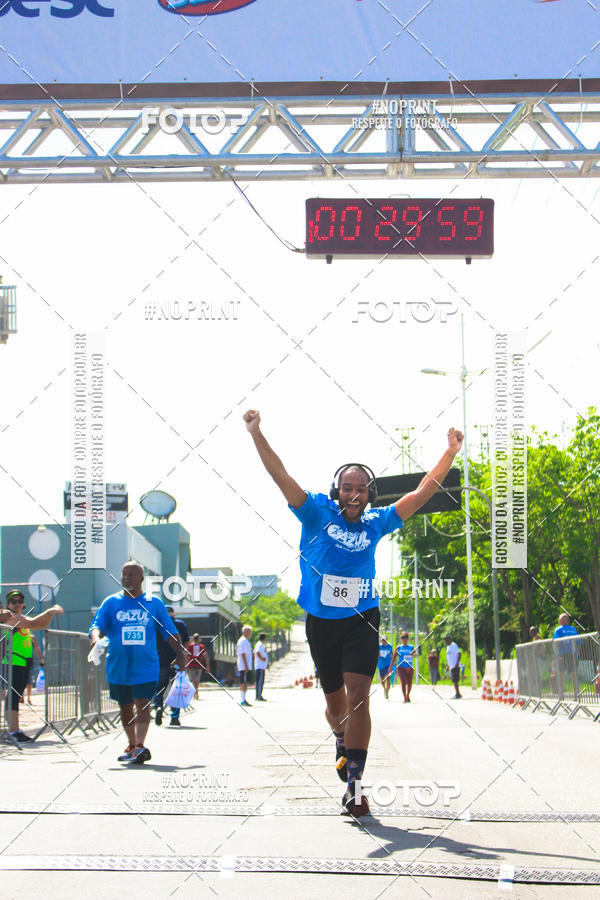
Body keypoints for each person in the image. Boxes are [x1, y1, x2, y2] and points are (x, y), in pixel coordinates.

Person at [244, 407, 463, 817]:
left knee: (360, 699)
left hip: (362, 619)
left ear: (370, 494)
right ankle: (342, 740)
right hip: (321, 623)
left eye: (361, 488)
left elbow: (420, 493)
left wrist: (448, 454)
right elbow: (281, 476)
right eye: (347, 488)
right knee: (335, 708)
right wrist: (257, 433)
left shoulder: (377, 523)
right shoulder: (314, 511)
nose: (354, 494)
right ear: (337, 491)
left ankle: (356, 787)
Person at [89, 561, 186, 764]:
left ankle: (140, 745)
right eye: (124, 574)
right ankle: (132, 744)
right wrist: (96, 640)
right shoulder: (111, 603)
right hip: (118, 666)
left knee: (143, 703)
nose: (126, 578)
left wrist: (181, 654)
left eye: (131, 575)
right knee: (125, 707)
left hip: (146, 666)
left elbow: (169, 631)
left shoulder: (154, 603)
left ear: (141, 578)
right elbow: (97, 625)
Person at [1, 590, 50, 742]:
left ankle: (15, 729)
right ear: (8, 604)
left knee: (16, 696)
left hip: (22, 662)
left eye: (19, 601)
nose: (17, 604)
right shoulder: (9, 617)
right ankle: (12, 730)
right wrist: (51, 611)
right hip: (11, 662)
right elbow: (34, 623)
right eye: (13, 601)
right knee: (13, 696)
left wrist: (50, 615)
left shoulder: (21, 619)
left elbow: (38, 625)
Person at [155, 605, 189, 726]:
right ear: (173, 613)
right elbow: (186, 644)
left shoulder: (157, 625)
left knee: (159, 687)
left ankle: (158, 707)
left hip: (161, 661)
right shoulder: (180, 625)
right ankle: (174, 717)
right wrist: (184, 661)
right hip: (177, 661)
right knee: (177, 689)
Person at [392, 631, 417, 702]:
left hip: (409, 667)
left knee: (409, 683)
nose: (404, 639)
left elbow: (415, 654)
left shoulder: (411, 647)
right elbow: (393, 658)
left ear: (408, 639)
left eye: (406, 637)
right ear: (401, 639)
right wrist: (390, 667)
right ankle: (404, 697)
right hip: (401, 667)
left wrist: (414, 655)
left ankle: (407, 695)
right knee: (403, 682)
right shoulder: (398, 648)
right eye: (403, 637)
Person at [185, 633, 210, 699]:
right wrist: (207, 666)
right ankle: (196, 692)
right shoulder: (202, 646)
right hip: (199, 665)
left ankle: (195, 693)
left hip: (191, 665)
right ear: (199, 639)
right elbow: (206, 656)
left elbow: (187, 657)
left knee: (193, 680)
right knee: (197, 680)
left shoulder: (190, 646)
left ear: (193, 639)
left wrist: (187, 666)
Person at [236, 625, 253, 706]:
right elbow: (242, 654)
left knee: (246, 682)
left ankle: (244, 698)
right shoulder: (242, 641)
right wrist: (246, 665)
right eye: (248, 631)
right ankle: (242, 699)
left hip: (246, 665)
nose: (249, 633)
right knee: (243, 682)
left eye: (250, 631)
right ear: (243, 632)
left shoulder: (246, 641)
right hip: (244, 665)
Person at [253, 632, 269, 701]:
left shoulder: (259, 644)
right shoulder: (260, 644)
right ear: (264, 638)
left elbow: (254, 653)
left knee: (260, 681)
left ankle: (259, 695)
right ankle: (258, 696)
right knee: (260, 681)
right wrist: (262, 659)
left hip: (260, 666)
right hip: (260, 666)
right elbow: (257, 652)